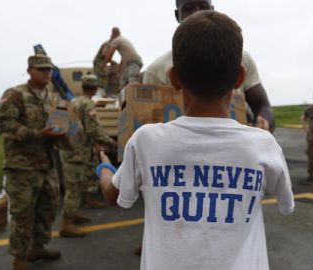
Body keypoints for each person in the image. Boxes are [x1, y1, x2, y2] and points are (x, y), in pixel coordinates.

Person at [98, 11, 294, 270]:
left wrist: (103, 167)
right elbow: (285, 202)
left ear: (174, 78)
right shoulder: (262, 145)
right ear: (239, 78)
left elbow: (113, 194)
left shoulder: (146, 140)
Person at [143, 0, 274, 133]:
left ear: (212, 10)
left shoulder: (240, 58)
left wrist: (263, 124)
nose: (198, 13)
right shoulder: (156, 71)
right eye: (188, 8)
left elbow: (263, 107)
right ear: (177, 16)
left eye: (204, 7)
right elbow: (144, 120)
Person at [0, 54, 62, 270]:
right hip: (22, 167)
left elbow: (56, 124)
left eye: (49, 69)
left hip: (47, 164)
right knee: (23, 214)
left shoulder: (49, 97)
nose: (46, 73)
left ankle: (38, 247)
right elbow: (3, 125)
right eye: (42, 69)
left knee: (48, 209)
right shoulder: (16, 94)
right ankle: (20, 258)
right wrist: (37, 134)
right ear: (29, 71)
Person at [59, 74, 117, 238]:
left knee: (75, 183)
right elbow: (93, 129)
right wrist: (110, 142)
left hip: (70, 148)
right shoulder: (87, 104)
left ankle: (73, 213)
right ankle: (67, 224)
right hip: (77, 151)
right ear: (95, 87)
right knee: (74, 186)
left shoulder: (75, 101)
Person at [92, 27, 119, 95]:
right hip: (99, 65)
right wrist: (111, 61)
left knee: (102, 81)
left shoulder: (111, 42)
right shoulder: (109, 43)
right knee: (100, 82)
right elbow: (104, 53)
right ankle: (99, 96)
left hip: (100, 64)